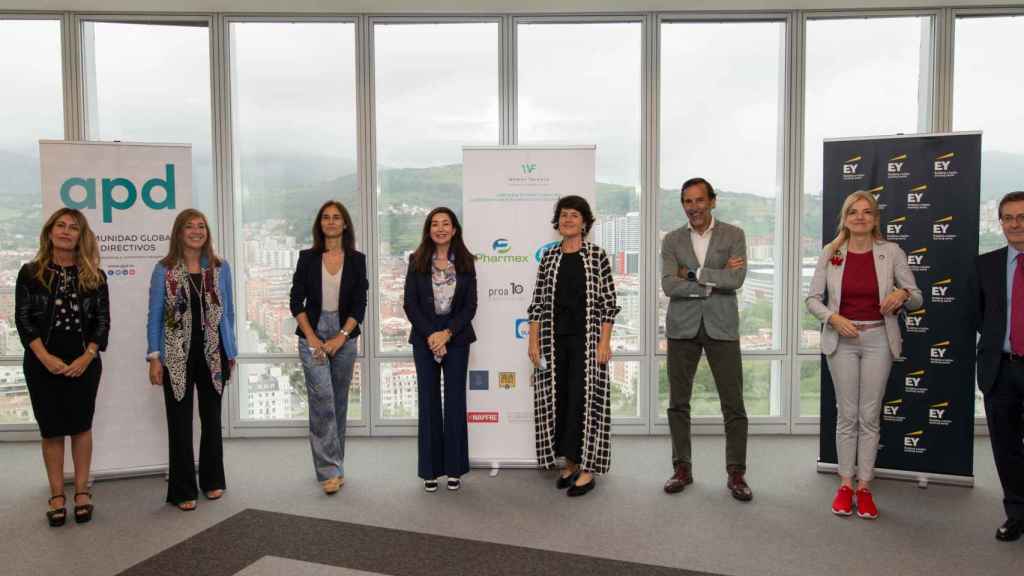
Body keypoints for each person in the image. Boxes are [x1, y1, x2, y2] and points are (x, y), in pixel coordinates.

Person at [806, 190, 921, 519]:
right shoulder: (831, 253)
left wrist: (901, 293)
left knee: (869, 417)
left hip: (878, 340)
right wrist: (833, 318)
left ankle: (865, 487)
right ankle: (845, 484)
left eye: (866, 212)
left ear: (875, 218)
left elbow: (917, 298)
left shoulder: (891, 252)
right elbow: (813, 299)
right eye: (853, 211)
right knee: (848, 415)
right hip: (841, 339)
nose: (860, 217)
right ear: (844, 218)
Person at [15, 208, 109, 526]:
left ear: (81, 237)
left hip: (85, 362)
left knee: (81, 427)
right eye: (61, 225)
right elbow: (24, 319)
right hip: (43, 362)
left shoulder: (95, 276)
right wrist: (45, 358)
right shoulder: (30, 273)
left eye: (74, 228)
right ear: (50, 232)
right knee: (52, 430)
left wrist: (87, 356)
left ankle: (82, 491)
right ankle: (57, 494)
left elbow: (102, 322)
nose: (66, 231)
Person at [661, 177, 752, 501]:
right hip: (681, 328)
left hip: (722, 327)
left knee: (734, 405)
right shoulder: (672, 240)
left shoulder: (734, 234)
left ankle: (736, 474)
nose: (694, 207)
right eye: (687, 201)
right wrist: (714, 279)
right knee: (678, 403)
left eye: (699, 200)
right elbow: (668, 286)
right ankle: (681, 469)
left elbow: (737, 279)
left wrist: (693, 273)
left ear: (712, 201)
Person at [528, 195, 619, 497]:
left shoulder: (597, 256)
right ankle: (569, 463)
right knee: (562, 401)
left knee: (586, 402)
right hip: (554, 344)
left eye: (574, 215)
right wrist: (533, 342)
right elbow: (538, 304)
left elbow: (608, 304)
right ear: (558, 222)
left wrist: (604, 342)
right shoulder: (550, 257)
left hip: (588, 343)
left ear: (585, 222)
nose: (568, 220)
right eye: (564, 215)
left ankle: (588, 470)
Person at [147, 208, 237, 511]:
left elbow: (229, 314)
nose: (197, 231)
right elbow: (155, 317)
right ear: (179, 232)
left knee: (212, 421)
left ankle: (212, 480)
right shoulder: (164, 269)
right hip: (174, 354)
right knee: (179, 422)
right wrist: (153, 357)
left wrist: (231, 351)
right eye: (190, 226)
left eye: (201, 226)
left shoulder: (221, 268)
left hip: (214, 353)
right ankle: (182, 488)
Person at [289, 200, 368, 495]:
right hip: (313, 332)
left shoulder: (357, 260)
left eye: (337, 218)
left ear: (345, 224)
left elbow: (360, 304)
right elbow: (295, 300)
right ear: (320, 224)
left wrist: (342, 336)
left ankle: (336, 463)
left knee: (338, 401)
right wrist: (311, 336)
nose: (331, 222)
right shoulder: (307, 258)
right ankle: (329, 471)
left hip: (345, 334)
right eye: (326, 217)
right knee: (321, 400)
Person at [403, 207, 477, 492]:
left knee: (455, 401)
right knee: (429, 401)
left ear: (454, 229)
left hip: (456, 336)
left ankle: (455, 468)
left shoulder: (467, 262)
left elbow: (470, 306)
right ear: (428, 230)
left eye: (446, 223)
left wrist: (446, 333)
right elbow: (410, 303)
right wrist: (432, 334)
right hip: (424, 335)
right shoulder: (416, 260)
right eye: (435, 224)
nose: (441, 228)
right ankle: (430, 470)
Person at [968, 190, 1024, 541]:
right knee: (1005, 447)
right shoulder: (985, 264)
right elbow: (979, 317)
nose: (1015, 224)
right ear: (1000, 223)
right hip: (999, 369)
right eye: (1009, 218)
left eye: (1022, 217)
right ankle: (1016, 513)